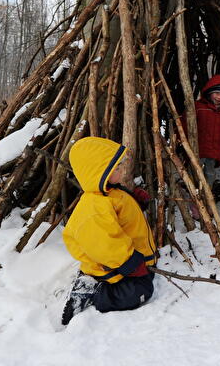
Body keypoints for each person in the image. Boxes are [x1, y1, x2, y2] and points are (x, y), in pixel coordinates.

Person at [61, 136, 157, 325]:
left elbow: (123, 217)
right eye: (117, 168)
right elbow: (104, 244)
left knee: (147, 279)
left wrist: (134, 201)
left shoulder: (110, 192)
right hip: (116, 265)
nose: (122, 170)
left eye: (120, 166)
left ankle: (93, 283)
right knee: (141, 292)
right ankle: (95, 293)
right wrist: (129, 263)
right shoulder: (95, 206)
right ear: (98, 173)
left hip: (129, 260)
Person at [183, 75, 220, 188]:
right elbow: (185, 124)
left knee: (210, 174)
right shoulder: (198, 107)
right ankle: (195, 199)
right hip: (197, 149)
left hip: (213, 152)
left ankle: (207, 195)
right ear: (209, 92)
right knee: (195, 173)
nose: (219, 97)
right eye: (217, 93)